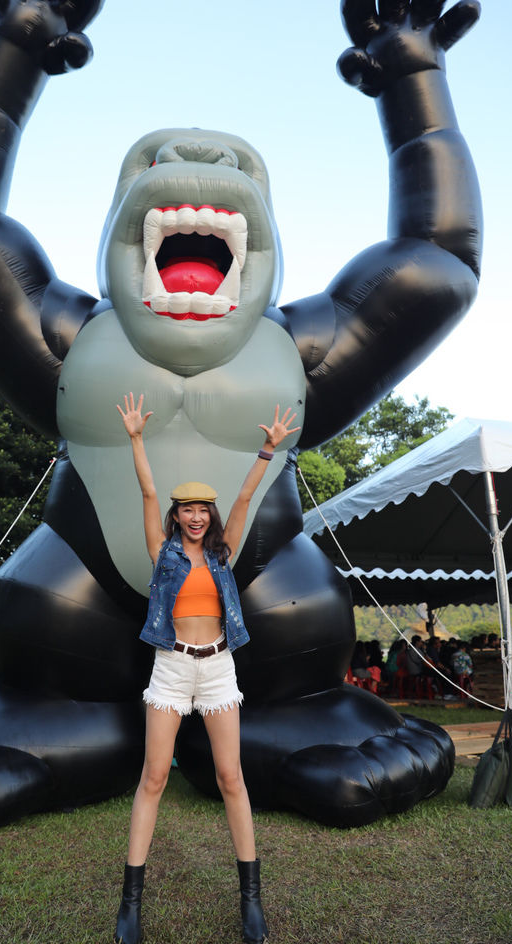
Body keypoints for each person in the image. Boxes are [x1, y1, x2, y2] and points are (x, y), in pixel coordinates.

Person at [114, 393, 298, 944]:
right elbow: (147, 489)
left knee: (230, 779)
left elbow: (244, 498)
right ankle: (130, 907)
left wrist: (267, 450)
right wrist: (135, 439)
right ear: (176, 516)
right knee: (152, 778)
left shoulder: (222, 554)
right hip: (171, 669)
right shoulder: (161, 551)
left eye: (203, 511)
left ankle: (251, 903)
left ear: (209, 517)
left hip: (218, 670)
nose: (196, 518)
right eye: (186, 510)